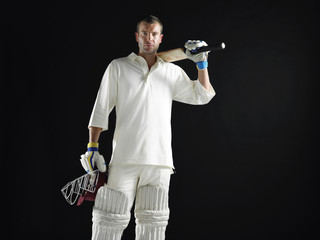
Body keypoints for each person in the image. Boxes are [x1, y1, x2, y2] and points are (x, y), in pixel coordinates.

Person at [80, 15, 216, 240]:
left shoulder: (171, 72)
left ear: (161, 38)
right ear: (137, 36)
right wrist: (92, 146)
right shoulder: (118, 67)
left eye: (154, 34)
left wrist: (202, 64)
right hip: (124, 159)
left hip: (160, 162)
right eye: (144, 33)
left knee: (153, 224)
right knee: (108, 221)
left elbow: (202, 95)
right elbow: (101, 108)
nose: (149, 38)